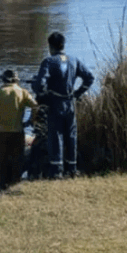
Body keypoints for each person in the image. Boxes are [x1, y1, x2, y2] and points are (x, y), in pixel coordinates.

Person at [32, 31, 95, 179]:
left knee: (56, 136)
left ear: (50, 46)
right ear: (63, 45)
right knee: (71, 135)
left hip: (56, 104)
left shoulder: (48, 61)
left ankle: (56, 170)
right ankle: (72, 169)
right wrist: (78, 93)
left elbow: (39, 85)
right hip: (70, 103)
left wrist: (42, 92)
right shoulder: (74, 60)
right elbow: (90, 78)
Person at [0, 70, 38, 190]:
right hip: (17, 131)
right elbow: (35, 106)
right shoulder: (23, 92)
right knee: (17, 161)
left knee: (1, 161)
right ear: (16, 80)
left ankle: (1, 187)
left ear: (3, 80)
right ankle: (15, 186)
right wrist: (30, 121)